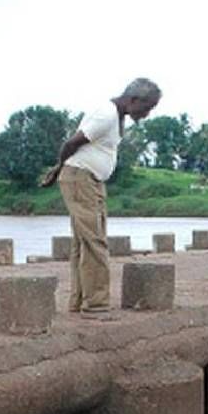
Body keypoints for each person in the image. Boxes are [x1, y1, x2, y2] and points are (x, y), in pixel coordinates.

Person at [41, 78, 161, 317]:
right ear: (133, 100)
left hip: (89, 179)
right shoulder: (106, 114)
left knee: (85, 242)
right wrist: (58, 170)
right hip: (80, 177)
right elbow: (72, 143)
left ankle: (80, 301)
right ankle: (96, 304)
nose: (146, 114)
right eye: (146, 108)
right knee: (95, 241)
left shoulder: (117, 116)